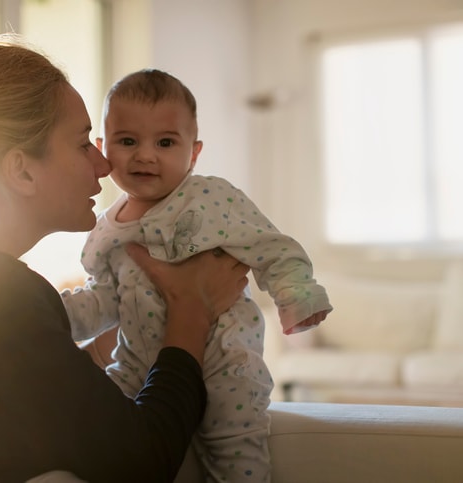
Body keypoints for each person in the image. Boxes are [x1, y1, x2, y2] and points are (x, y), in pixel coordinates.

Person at [0, 36, 252, 483]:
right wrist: (191, 311)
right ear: (21, 170)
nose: (103, 164)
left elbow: (34, 399)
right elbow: (142, 460)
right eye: (81, 144)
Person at [60, 69, 333, 483]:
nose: (145, 155)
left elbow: (272, 248)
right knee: (97, 430)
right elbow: (103, 299)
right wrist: (53, 315)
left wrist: (297, 296)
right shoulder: (105, 227)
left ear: (194, 152)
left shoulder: (210, 198)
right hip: (137, 362)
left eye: (165, 142)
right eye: (128, 141)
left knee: (234, 444)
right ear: (103, 147)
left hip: (223, 356)